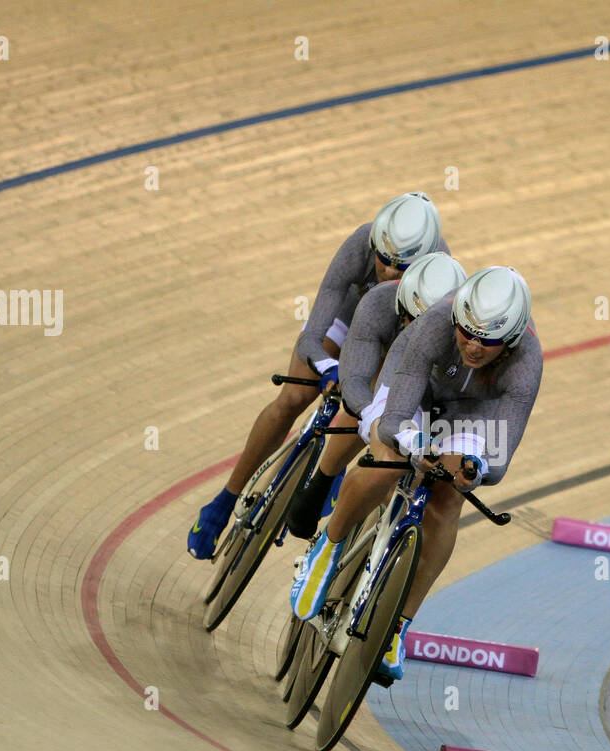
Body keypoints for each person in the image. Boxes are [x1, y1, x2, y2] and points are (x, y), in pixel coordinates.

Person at [289, 266, 542, 682]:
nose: (474, 347)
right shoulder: (436, 324)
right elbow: (394, 419)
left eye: (489, 341)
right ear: (457, 318)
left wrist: (472, 469)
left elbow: (498, 461)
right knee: (386, 461)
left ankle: (399, 625)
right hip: (415, 386)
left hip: (472, 413)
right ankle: (327, 548)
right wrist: (413, 445)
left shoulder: (527, 365)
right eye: (467, 333)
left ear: (511, 342)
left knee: (448, 501)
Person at [186, 192, 447, 559]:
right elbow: (312, 335)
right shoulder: (360, 243)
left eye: (402, 268)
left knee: (375, 397)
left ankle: (334, 464)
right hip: (350, 312)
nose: (389, 272)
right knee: (294, 395)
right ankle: (224, 499)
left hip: (390, 334)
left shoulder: (440, 275)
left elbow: (411, 366)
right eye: (384, 261)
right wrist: (325, 366)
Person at [283, 250, 468, 540]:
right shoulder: (382, 300)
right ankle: (323, 480)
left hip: (435, 376)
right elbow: (358, 382)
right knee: (373, 400)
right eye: (409, 319)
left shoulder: (460, 332)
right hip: (387, 363)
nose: (414, 330)